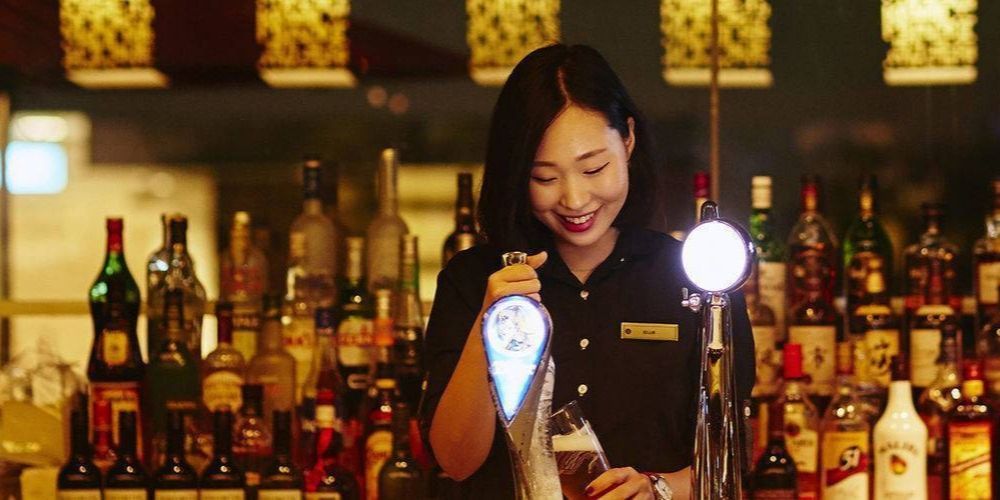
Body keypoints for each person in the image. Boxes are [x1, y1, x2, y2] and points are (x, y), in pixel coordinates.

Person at [419, 44, 755, 500]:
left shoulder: (698, 277)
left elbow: (731, 459)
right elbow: (456, 461)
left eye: (594, 168)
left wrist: (658, 488)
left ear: (628, 140)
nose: (575, 200)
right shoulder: (474, 279)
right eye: (544, 177)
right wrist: (491, 322)